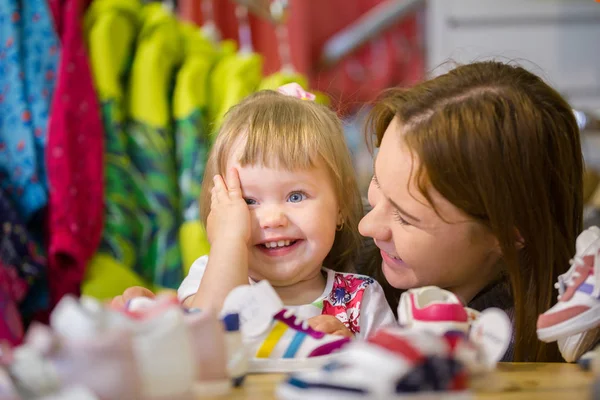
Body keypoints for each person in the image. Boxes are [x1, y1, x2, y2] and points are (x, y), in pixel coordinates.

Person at [112, 84, 396, 339]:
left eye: (296, 196)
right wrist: (228, 241)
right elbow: (207, 336)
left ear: (340, 207)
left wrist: (352, 350)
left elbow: (401, 378)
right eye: (248, 201)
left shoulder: (363, 299)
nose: (273, 219)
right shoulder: (210, 277)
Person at [356, 60, 583, 362]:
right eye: (377, 180)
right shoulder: (339, 271)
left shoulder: (552, 349)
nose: (366, 226)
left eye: (405, 218)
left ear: (509, 235)